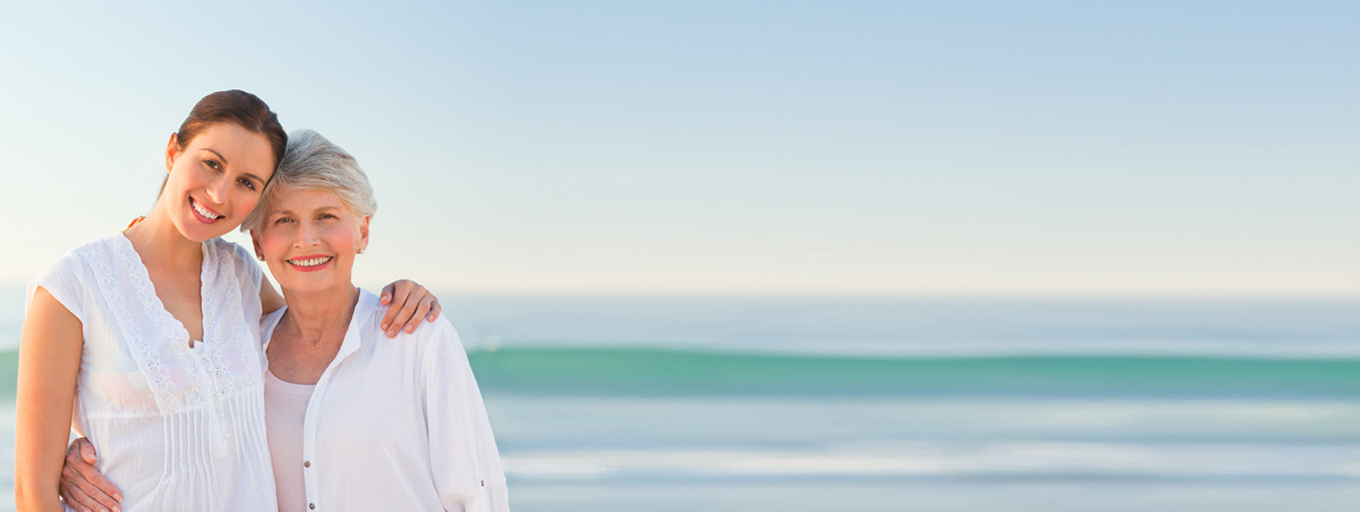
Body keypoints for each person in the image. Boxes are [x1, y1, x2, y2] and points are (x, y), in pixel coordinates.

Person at [17, 91, 442, 512]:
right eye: (211, 163)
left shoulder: (239, 275)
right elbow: (32, 494)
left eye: (246, 183)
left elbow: (319, 333)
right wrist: (64, 459)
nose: (220, 194)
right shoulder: (72, 287)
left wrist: (397, 297)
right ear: (172, 151)